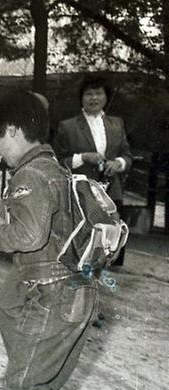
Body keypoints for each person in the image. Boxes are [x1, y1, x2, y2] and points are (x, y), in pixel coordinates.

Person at [0, 90, 128, 390]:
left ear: (11, 131)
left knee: (23, 385)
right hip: (73, 294)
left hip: (54, 297)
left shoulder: (30, 175)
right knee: (39, 387)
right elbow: (45, 224)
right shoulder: (51, 167)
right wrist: (4, 208)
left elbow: (26, 237)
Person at [54, 75, 132, 266]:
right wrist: (83, 157)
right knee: (81, 247)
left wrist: (118, 163)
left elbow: (127, 156)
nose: (94, 98)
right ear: (81, 98)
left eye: (99, 93)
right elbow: (56, 160)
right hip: (82, 193)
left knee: (111, 246)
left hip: (111, 193)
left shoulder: (117, 124)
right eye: (89, 94)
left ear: (106, 97)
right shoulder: (68, 126)